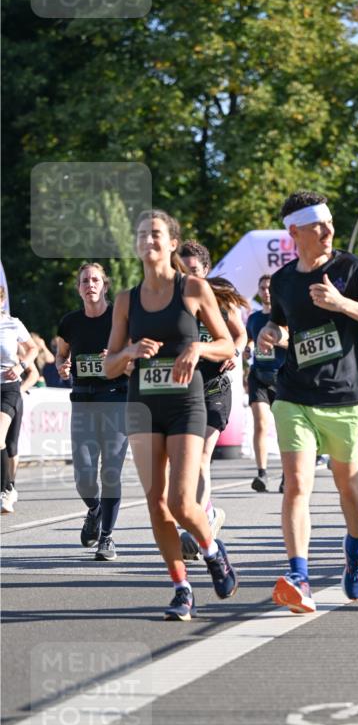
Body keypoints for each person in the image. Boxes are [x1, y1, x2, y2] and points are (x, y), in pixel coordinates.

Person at [257, 190, 358, 613]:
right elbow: (285, 329)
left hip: (344, 397)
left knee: (347, 485)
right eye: (319, 225)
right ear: (295, 231)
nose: (329, 230)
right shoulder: (282, 282)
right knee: (297, 484)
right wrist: (271, 334)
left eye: (331, 222)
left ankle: (355, 546)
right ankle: (299, 574)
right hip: (294, 394)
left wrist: (342, 304)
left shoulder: (351, 269)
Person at [103, 209, 237, 620]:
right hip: (144, 405)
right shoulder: (126, 300)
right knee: (155, 503)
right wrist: (127, 353)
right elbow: (108, 364)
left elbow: (227, 345)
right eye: (142, 234)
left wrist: (197, 348)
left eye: (156, 234)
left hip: (185, 404)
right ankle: (181, 587)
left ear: (172, 242)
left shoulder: (194, 288)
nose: (149, 240)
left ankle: (212, 550)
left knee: (181, 501)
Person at [177, 240, 248, 558]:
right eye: (182, 270)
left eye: (193, 270)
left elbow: (240, 333)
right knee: (186, 461)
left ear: (205, 270)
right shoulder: (171, 300)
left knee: (203, 455)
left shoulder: (219, 297)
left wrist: (235, 351)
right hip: (184, 390)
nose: (188, 276)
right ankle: (208, 514)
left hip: (216, 387)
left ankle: (201, 523)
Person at [56, 264, 130, 560]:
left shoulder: (120, 317)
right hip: (83, 401)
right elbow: (62, 353)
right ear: (78, 288)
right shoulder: (70, 322)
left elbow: (137, 352)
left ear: (105, 285)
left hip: (116, 398)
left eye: (95, 280)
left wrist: (118, 357)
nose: (90, 285)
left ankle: (107, 537)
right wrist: (62, 365)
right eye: (84, 280)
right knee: (83, 476)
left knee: (110, 472)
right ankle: (95, 510)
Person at [245, 274, 287, 492]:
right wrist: (245, 349)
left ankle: (286, 473)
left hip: (281, 376)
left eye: (269, 288)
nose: (266, 291)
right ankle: (261, 473)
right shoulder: (253, 319)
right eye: (262, 288)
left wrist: (279, 340)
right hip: (259, 375)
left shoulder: (284, 315)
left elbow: (295, 343)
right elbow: (248, 340)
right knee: (260, 422)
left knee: (283, 428)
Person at [1, 286, 38, 514]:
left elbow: (32, 348)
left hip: (9, 389)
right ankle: (9, 487)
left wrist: (20, 365)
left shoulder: (12, 323)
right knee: (9, 446)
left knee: (4, 440)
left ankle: (6, 489)